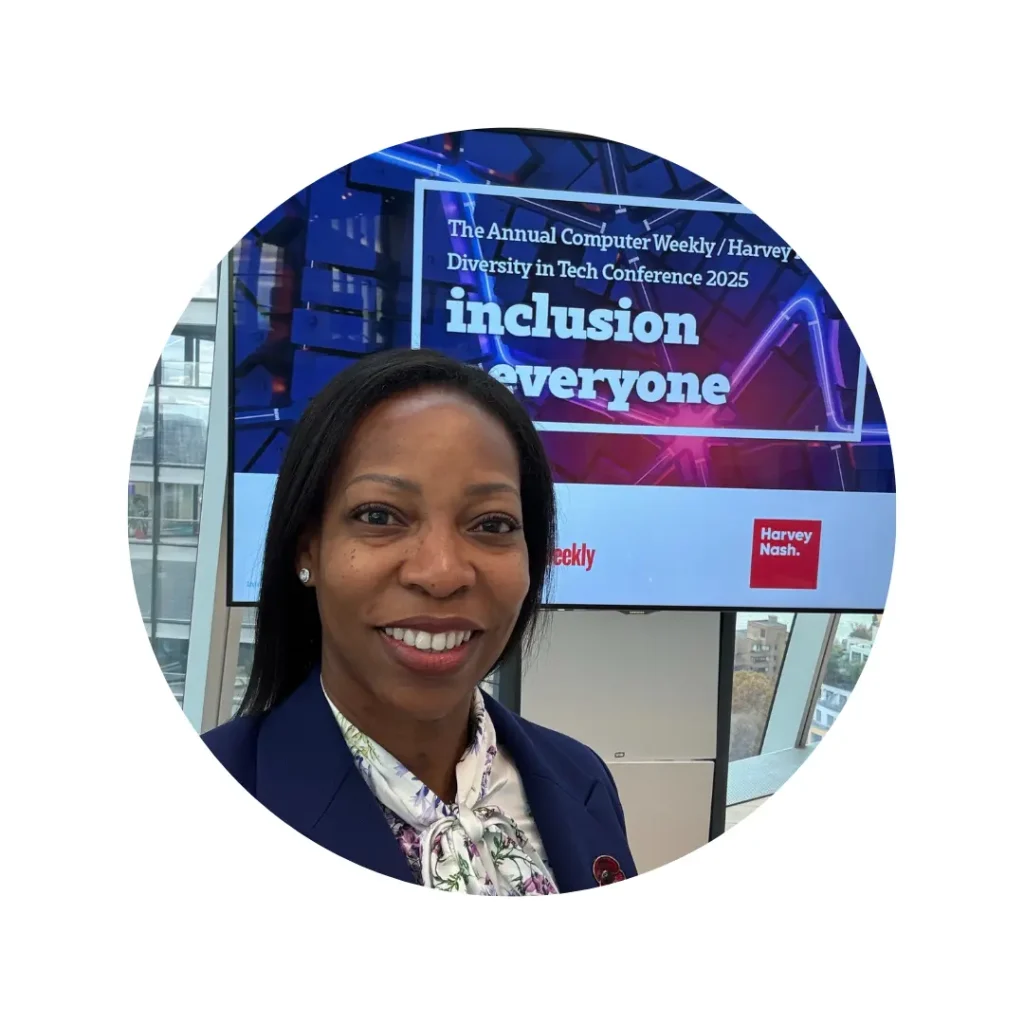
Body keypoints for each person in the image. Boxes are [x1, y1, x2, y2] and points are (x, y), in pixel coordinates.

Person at [204, 348, 636, 894]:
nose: (441, 573)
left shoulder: (581, 778)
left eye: (492, 524)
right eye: (379, 516)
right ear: (306, 547)